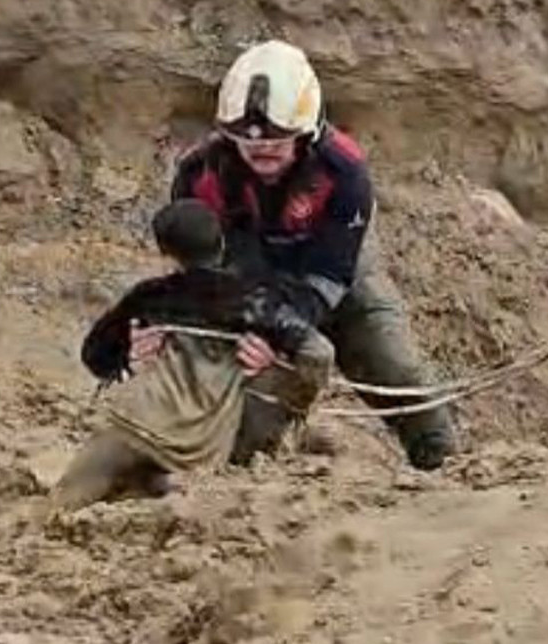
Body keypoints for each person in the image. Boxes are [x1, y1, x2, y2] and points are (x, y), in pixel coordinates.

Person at [166, 39, 456, 471]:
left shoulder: (345, 173)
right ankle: (237, 465)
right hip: (250, 277)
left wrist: (285, 329)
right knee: (271, 368)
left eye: (278, 137)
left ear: (307, 131)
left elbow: (331, 275)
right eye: (244, 138)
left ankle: (444, 464)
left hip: (337, 269)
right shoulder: (199, 177)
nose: (261, 146)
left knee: (394, 364)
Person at [48, 198, 334, 512]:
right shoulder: (255, 301)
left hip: (133, 426)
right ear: (221, 243)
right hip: (199, 451)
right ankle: (157, 484)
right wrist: (291, 394)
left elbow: (95, 355)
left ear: (167, 255)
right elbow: (318, 354)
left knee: (59, 506)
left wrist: (130, 357)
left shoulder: (150, 297)